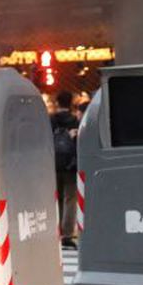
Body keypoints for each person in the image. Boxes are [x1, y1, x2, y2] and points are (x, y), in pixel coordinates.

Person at [51, 91, 80, 248]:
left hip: (54, 163)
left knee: (58, 198)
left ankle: (57, 231)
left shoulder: (51, 120)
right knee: (70, 199)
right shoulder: (75, 120)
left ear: (57, 102)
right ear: (71, 103)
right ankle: (67, 234)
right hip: (70, 164)